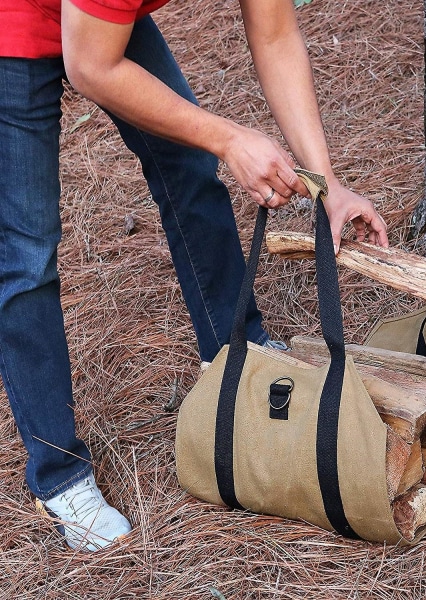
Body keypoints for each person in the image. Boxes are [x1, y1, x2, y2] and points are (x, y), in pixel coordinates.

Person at [0, 0, 389, 551]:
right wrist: (229, 138)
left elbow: (276, 35)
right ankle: (58, 474)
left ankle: (237, 354)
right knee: (26, 253)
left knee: (189, 167)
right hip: (12, 27)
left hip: (99, 23)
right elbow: (90, 66)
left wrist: (327, 186)